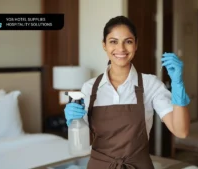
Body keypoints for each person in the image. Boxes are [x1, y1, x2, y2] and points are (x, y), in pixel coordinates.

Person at [64, 16, 190, 169]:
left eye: (128, 41)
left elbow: (181, 131)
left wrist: (178, 84)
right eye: (113, 41)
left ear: (136, 45)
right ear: (104, 45)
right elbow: (82, 145)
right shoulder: (89, 88)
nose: (121, 49)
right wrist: (73, 123)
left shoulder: (151, 85)